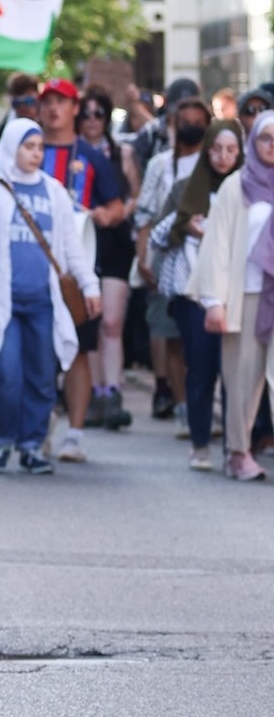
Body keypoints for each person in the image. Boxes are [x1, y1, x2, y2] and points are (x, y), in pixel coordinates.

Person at [0, 119, 101, 474]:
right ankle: (1, 441)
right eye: (28, 146)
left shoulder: (54, 191)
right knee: (5, 374)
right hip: (2, 301)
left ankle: (31, 445)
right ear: (11, 146)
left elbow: (72, 247)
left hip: (44, 302)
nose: (36, 153)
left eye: (40, 147)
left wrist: (90, 286)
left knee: (42, 375)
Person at [35, 78, 127, 461]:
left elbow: (118, 205)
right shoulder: (27, 150)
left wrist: (104, 214)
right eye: (48, 102)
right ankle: (37, 428)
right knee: (37, 351)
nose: (54, 109)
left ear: (76, 108)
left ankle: (74, 432)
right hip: (34, 268)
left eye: (62, 102)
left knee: (78, 351)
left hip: (76, 270)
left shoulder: (91, 156)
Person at [186, 109, 274, 481]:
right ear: (253, 143)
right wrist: (214, 301)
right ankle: (239, 451)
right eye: (266, 138)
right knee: (242, 377)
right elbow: (217, 247)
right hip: (245, 295)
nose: (272, 146)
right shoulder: (236, 186)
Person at [152, 117, 243, 470]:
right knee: (202, 370)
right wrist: (186, 227)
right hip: (194, 294)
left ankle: (237, 447)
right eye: (216, 149)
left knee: (235, 373)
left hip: (237, 292)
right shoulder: (189, 188)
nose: (223, 157)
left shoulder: (249, 188)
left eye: (231, 150)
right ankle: (201, 442)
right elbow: (160, 236)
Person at [134, 93, 212, 425]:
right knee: (173, 336)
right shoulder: (161, 164)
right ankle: (182, 405)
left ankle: (201, 403)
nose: (192, 128)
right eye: (186, 123)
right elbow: (146, 213)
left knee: (205, 342)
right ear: (174, 125)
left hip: (210, 264)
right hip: (170, 260)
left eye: (198, 123)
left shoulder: (218, 165)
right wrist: (143, 258)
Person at [76, 87, 136, 430]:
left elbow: (134, 196)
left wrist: (114, 213)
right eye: (86, 113)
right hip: (83, 239)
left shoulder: (121, 153)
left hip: (113, 240)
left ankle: (113, 392)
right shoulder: (72, 152)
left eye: (99, 114)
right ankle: (94, 392)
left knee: (112, 321)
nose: (92, 121)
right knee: (90, 320)